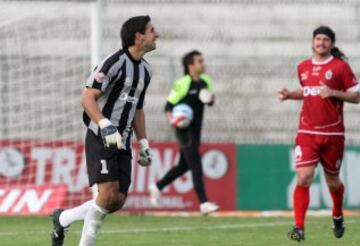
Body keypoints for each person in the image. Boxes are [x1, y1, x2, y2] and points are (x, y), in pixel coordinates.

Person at [51, 15, 159, 246]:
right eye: (151, 30)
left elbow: (138, 108)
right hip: (101, 135)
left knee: (116, 201)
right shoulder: (114, 62)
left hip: (124, 139)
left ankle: (63, 218)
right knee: (108, 193)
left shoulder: (146, 71)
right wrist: (104, 124)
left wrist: (144, 143)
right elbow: (87, 97)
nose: (156, 34)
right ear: (138, 37)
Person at [278, 26, 360, 242]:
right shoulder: (303, 67)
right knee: (304, 178)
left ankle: (337, 214)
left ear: (331, 44)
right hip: (306, 132)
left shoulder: (341, 67)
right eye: (318, 39)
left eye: (325, 40)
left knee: (333, 181)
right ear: (312, 42)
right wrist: (290, 95)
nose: (321, 42)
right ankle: (299, 228)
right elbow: (307, 92)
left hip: (333, 134)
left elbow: (356, 97)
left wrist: (333, 92)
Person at [149, 50, 219, 215]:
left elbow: (209, 102)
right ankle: (203, 203)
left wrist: (210, 99)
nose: (203, 64)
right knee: (196, 164)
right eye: (199, 61)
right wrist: (173, 120)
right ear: (190, 66)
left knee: (183, 166)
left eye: (203, 61)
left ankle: (157, 187)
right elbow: (168, 107)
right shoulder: (183, 83)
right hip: (183, 129)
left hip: (196, 129)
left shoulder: (205, 81)